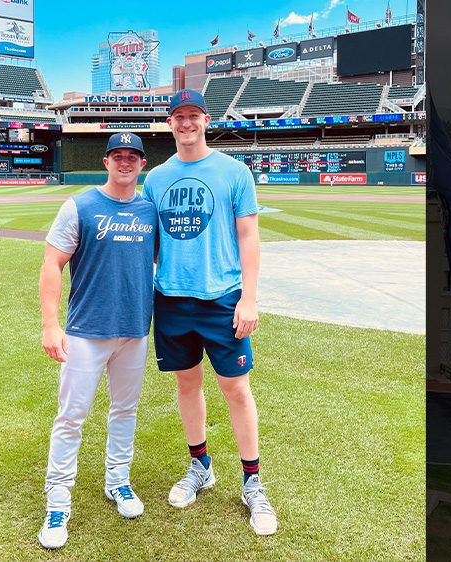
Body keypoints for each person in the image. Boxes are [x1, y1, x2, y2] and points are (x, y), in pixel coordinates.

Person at [141, 89, 278, 536]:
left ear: (206, 119)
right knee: (187, 384)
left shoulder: (234, 172)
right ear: (170, 123)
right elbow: (152, 245)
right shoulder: (156, 179)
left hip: (222, 297)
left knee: (236, 389)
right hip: (173, 299)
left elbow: (249, 238)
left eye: (193, 116)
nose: (186, 123)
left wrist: (249, 297)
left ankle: (253, 481)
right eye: (178, 116)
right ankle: (201, 467)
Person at [37, 132, 156, 549]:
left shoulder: (149, 209)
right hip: (86, 331)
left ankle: (118, 481)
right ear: (106, 161)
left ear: (142, 164)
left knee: (125, 410)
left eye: (133, 157)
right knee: (71, 416)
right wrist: (51, 326)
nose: (125, 162)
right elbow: (52, 263)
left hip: (135, 330)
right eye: (118, 156)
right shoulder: (81, 205)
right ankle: (58, 500)